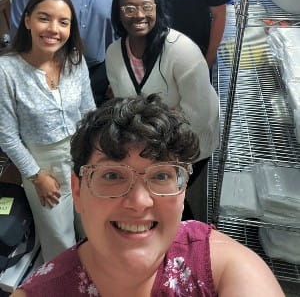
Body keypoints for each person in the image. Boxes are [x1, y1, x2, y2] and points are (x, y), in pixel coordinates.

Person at [11, 94, 285, 296]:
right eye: (112, 176)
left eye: (161, 176)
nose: (140, 202)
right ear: (78, 191)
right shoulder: (41, 292)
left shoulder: (221, 267)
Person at [0, 0, 96, 261]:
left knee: (91, 225)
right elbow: (7, 136)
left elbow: (90, 112)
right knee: (59, 238)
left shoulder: (75, 60)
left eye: (63, 22)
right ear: (28, 20)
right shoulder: (7, 70)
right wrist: (37, 177)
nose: (54, 29)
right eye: (44, 18)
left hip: (83, 156)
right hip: (41, 164)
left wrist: (95, 159)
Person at [105, 0, 219, 162]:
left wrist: (161, 151)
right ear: (118, 13)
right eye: (129, 8)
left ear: (157, 9)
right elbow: (125, 106)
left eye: (147, 7)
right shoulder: (113, 53)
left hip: (187, 147)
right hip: (144, 149)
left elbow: (199, 114)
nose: (139, 15)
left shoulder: (182, 50)